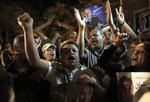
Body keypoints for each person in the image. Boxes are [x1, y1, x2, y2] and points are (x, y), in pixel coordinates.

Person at [18, 12, 106, 102]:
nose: (71, 52)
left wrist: (94, 83)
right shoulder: (53, 69)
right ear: (60, 56)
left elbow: (104, 96)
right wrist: (27, 29)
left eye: (74, 51)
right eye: (66, 51)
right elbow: (34, 61)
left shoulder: (87, 72)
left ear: (79, 56)